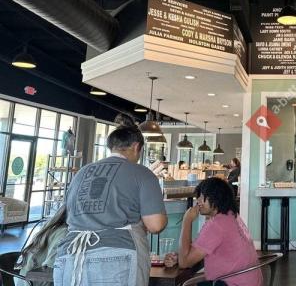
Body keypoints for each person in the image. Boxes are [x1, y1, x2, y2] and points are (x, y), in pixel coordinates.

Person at [53, 114, 167, 286]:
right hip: (116, 256)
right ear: (136, 146)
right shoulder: (142, 173)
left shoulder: (83, 172)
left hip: (70, 254)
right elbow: (156, 225)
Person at [165, 177, 261, 286]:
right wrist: (180, 257)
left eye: (202, 197)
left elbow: (184, 262)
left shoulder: (217, 225)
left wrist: (187, 220)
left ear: (216, 198)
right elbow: (193, 255)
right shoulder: (231, 216)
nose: (198, 201)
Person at [17, 206, 68, 286]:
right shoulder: (65, 232)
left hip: (24, 278)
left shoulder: (51, 225)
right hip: (35, 280)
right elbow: (52, 270)